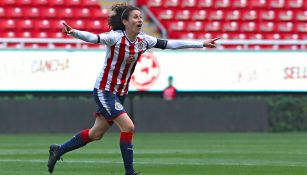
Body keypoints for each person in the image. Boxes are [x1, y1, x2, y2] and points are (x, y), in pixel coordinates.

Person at [47, 3, 220, 175]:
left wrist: (201, 43)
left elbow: (171, 44)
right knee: (128, 127)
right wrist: (74, 32)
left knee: (96, 134)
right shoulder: (114, 37)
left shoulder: (144, 40)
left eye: (141, 17)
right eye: (135, 17)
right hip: (104, 90)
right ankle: (130, 172)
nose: (140, 20)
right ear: (125, 21)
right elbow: (93, 38)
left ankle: (58, 150)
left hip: (120, 93)